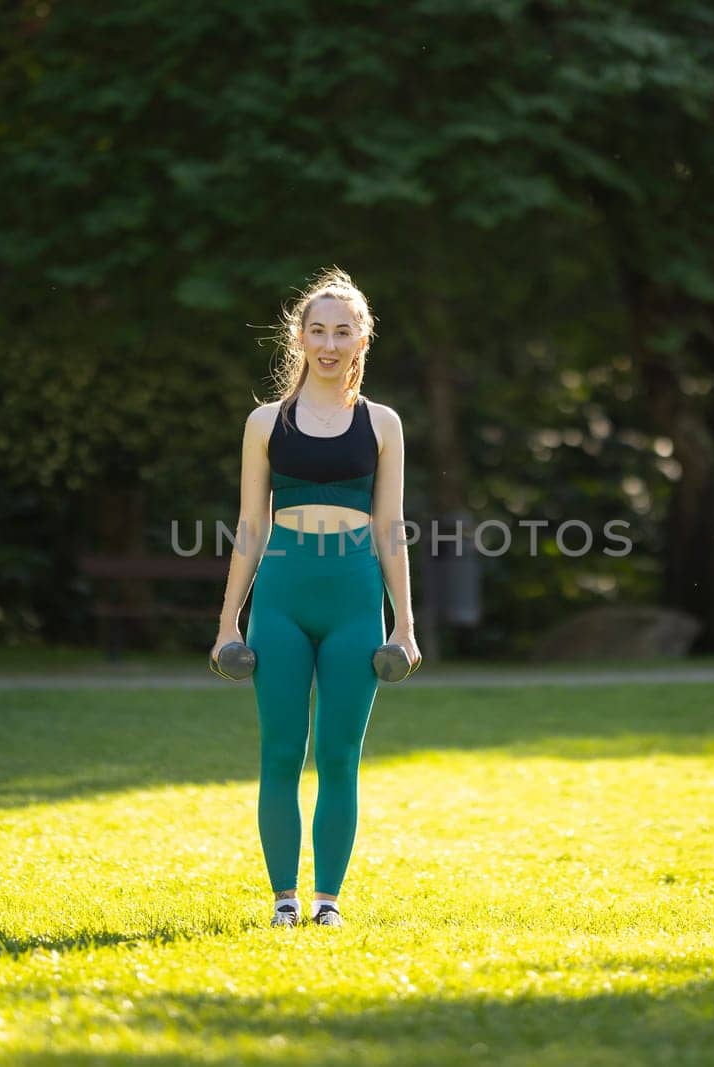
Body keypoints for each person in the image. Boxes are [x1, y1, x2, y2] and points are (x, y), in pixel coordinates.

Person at [211, 267, 421, 929]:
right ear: (299, 337)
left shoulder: (383, 424)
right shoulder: (265, 422)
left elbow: (391, 530)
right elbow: (250, 525)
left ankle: (327, 900)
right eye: (317, 329)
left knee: (339, 753)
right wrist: (228, 623)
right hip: (281, 600)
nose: (329, 342)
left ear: (363, 339)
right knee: (280, 750)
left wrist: (405, 626)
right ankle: (283, 900)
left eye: (343, 330)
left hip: (356, 601)